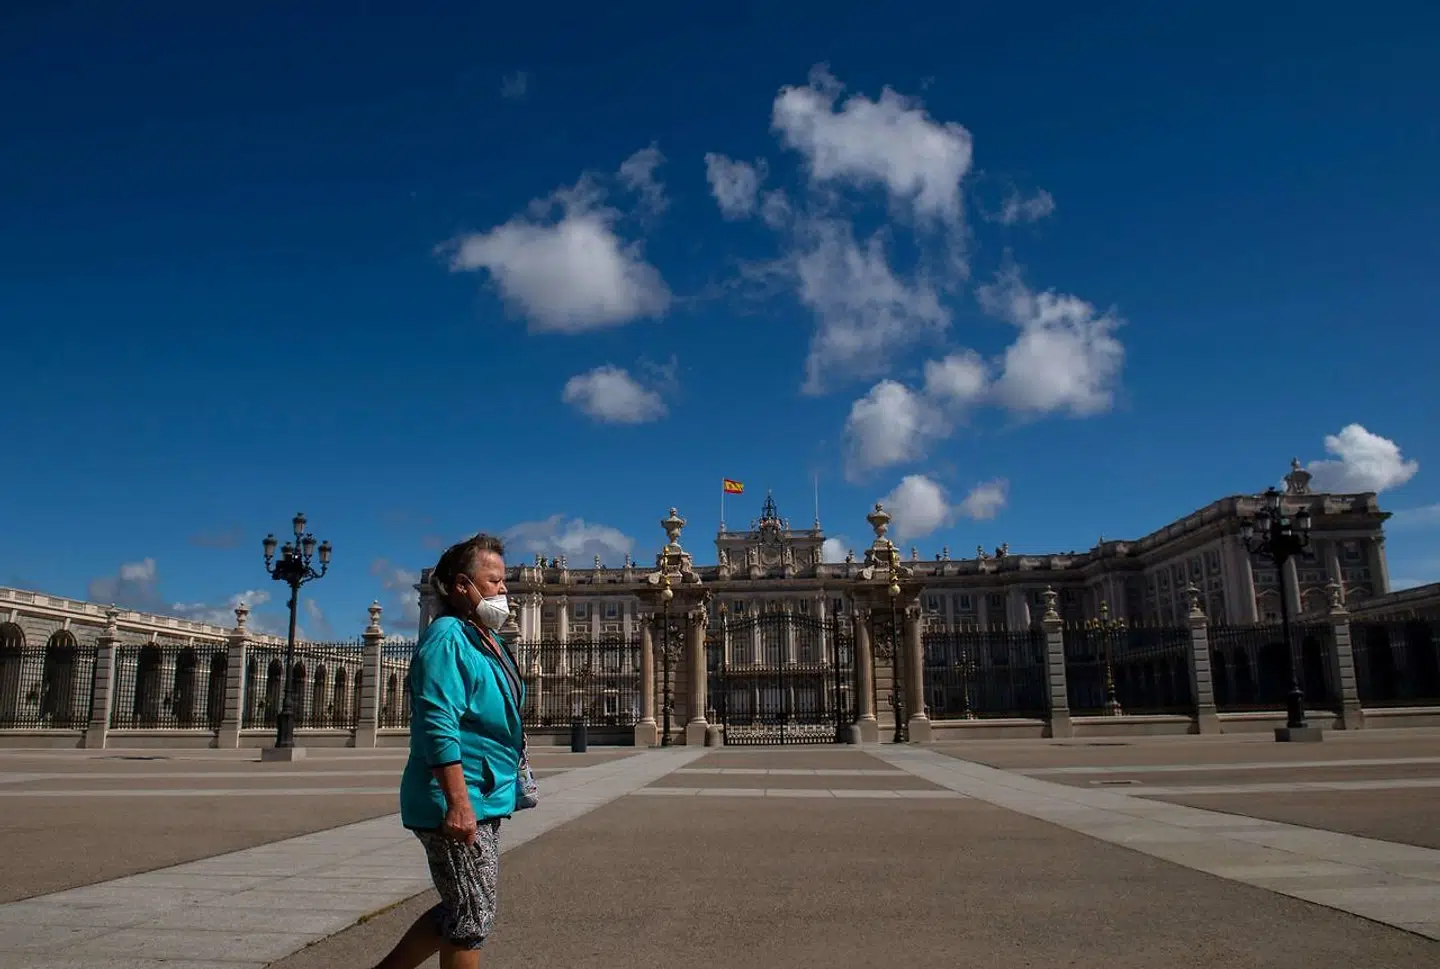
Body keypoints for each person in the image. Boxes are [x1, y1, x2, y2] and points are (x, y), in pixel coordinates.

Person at [372, 533, 526, 969]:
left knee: (462, 909)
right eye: (493, 580)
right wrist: (458, 804)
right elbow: (440, 725)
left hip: (484, 793)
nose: (503, 590)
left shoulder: (479, 637)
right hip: (458, 800)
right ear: (462, 585)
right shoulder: (446, 639)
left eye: (504, 580)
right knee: (471, 918)